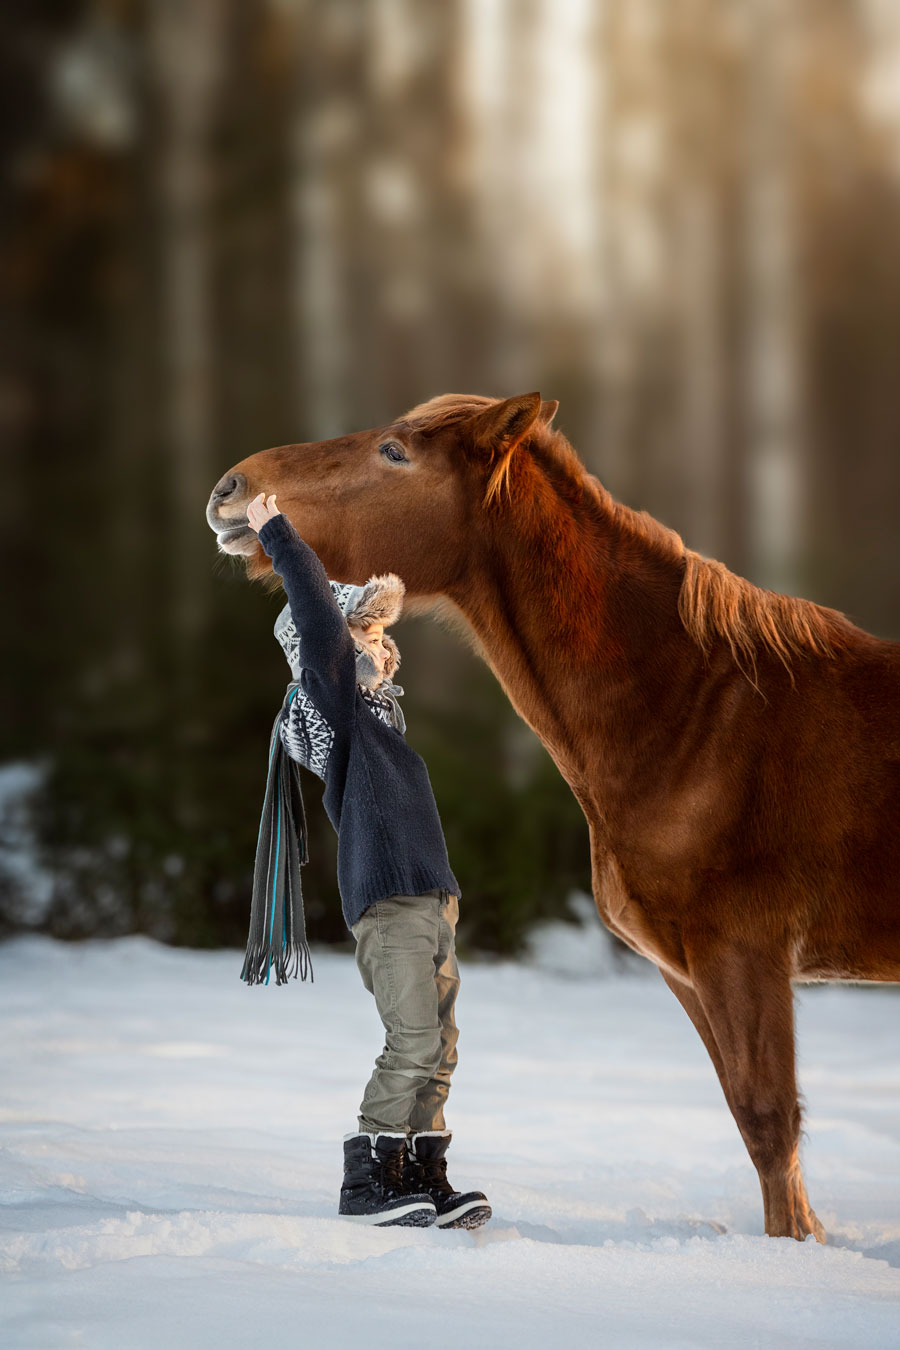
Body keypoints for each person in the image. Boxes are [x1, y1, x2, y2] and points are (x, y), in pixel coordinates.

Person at [246, 491, 491, 1230]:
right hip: (389, 905)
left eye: (383, 637)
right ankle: (369, 1183)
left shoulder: (379, 715)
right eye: (366, 635)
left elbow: (351, 643)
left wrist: (447, 899)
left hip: (429, 901)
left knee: (440, 1048)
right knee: (412, 1039)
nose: (382, 645)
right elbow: (318, 625)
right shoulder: (335, 711)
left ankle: (422, 1173)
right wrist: (279, 537)